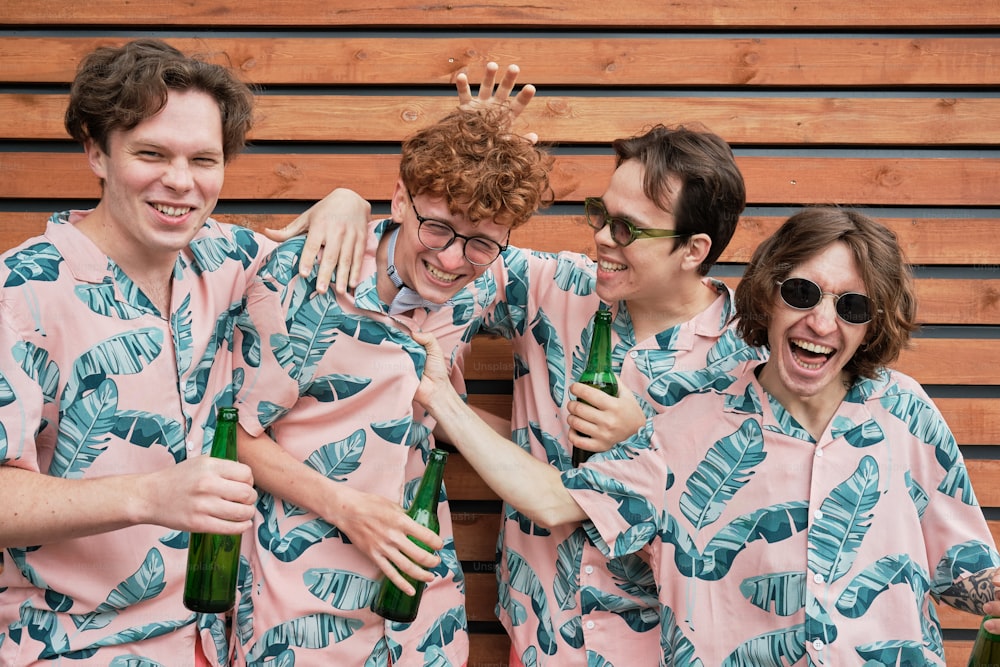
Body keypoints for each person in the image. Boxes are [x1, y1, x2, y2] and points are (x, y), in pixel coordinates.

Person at [302, 63, 758, 664]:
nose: (602, 238)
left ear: (693, 250)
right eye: (601, 213)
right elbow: (438, 238)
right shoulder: (556, 287)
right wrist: (351, 202)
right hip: (536, 639)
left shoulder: (746, 364)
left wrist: (645, 438)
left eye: (627, 229)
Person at [415, 206, 1000, 664]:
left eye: (852, 306)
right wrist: (442, 399)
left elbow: (966, 573)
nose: (822, 323)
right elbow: (554, 500)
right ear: (770, 292)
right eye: (802, 293)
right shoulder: (688, 423)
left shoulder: (905, 411)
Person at [0, 39, 372, 666]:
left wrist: (347, 199)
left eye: (204, 159)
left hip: (217, 643)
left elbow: (373, 261)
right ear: (96, 151)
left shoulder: (228, 258)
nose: (181, 181)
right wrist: (147, 496)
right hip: (75, 649)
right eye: (151, 153)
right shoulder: (20, 293)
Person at [232, 103, 553, 666]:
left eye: (481, 242)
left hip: (422, 607)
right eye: (438, 228)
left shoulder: (485, 279)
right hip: (301, 603)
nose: (453, 259)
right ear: (401, 199)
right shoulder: (300, 278)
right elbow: (235, 433)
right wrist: (345, 506)